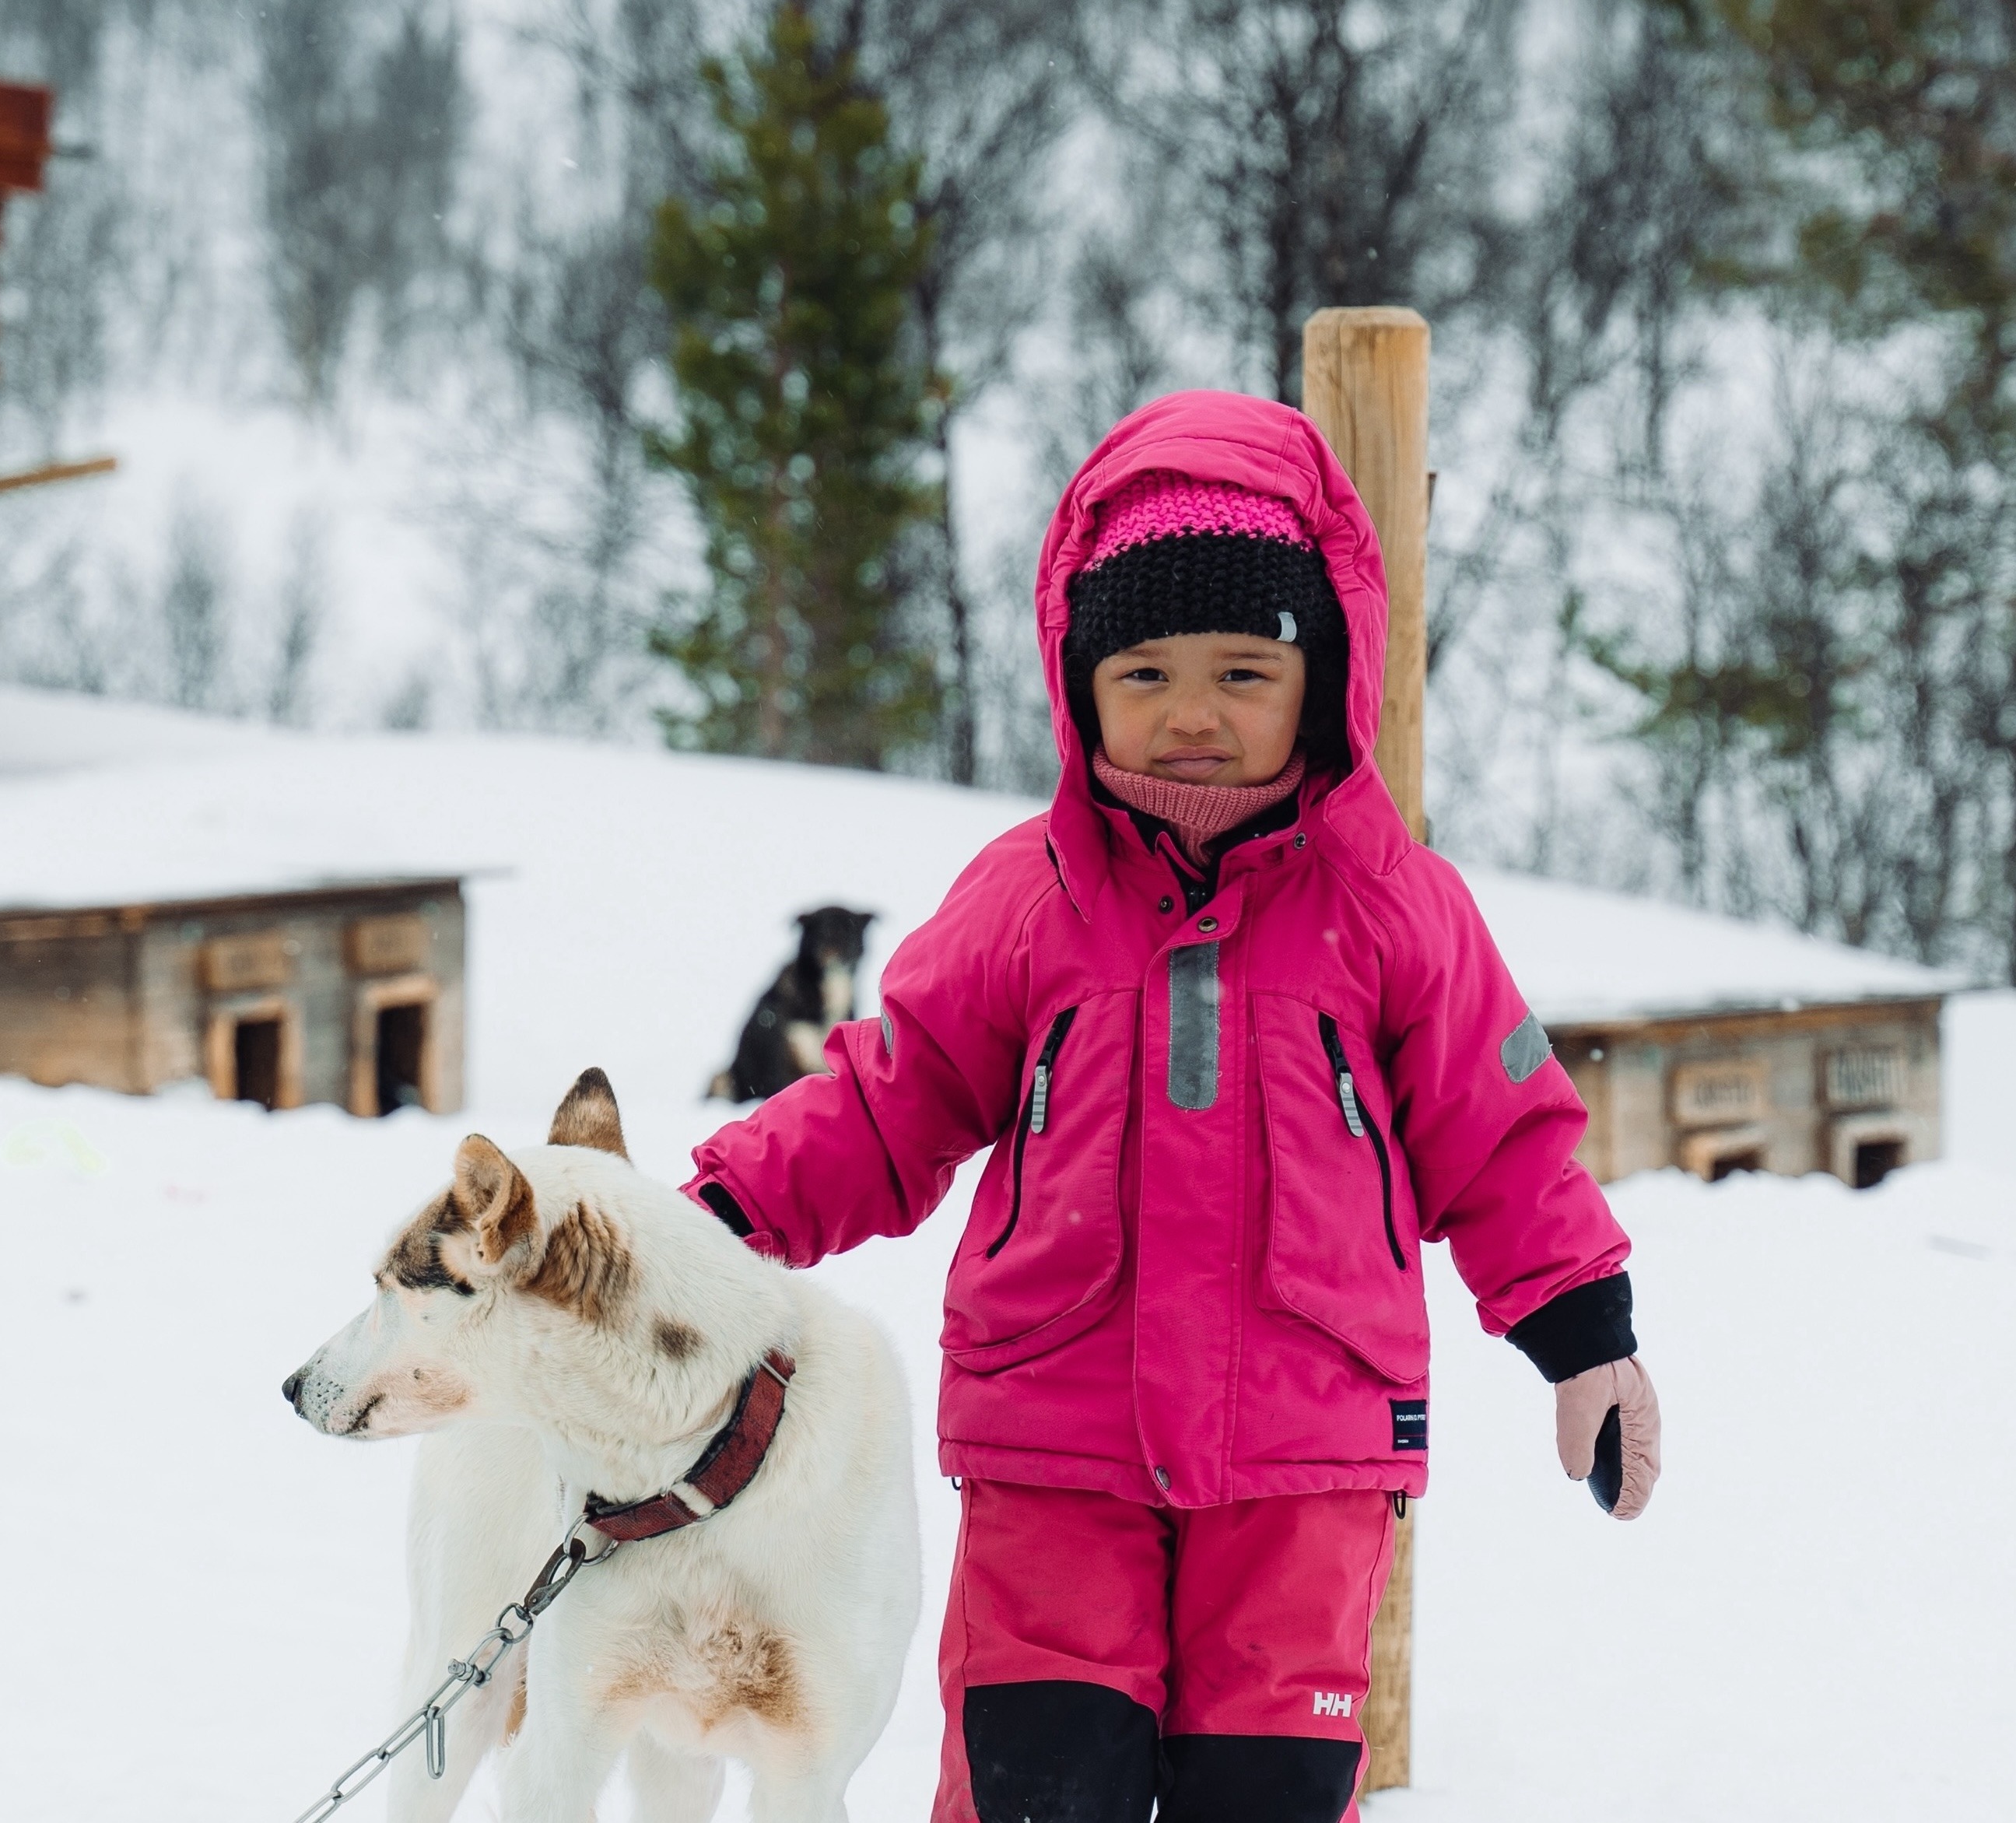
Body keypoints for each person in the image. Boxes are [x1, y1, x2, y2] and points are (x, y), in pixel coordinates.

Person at [683, 390, 1663, 1823]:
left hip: (1301, 1453)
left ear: (1322, 681)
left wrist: (1587, 1337)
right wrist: (715, 1222)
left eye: (1242, 673)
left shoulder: (1393, 906)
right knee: (1039, 1781)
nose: (1191, 714)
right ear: (1079, 685)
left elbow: (1503, 1133)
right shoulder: (1031, 895)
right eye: (1142, 672)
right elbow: (894, 1093)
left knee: (1262, 1788)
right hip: (1053, 1437)